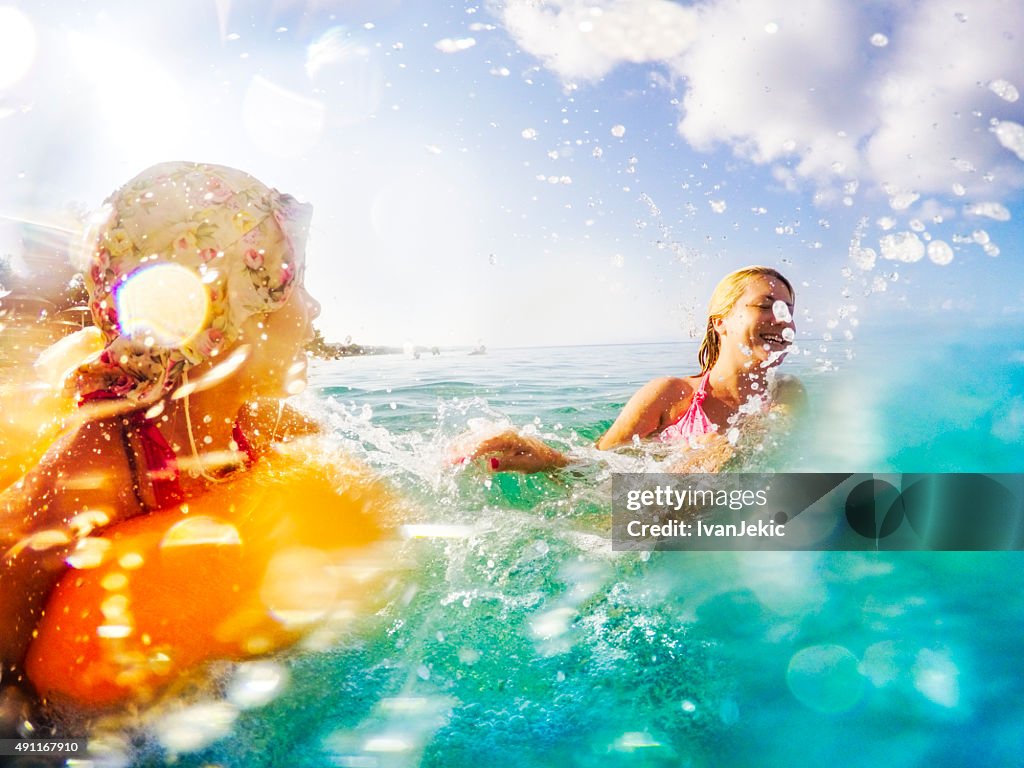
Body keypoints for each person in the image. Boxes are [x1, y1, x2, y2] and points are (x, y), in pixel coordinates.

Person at [0, 162, 393, 713]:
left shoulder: (258, 425)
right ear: (225, 323)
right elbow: (12, 577)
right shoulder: (105, 459)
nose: (315, 309)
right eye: (295, 285)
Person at [456, 266, 805, 473]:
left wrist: (723, 450)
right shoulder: (669, 395)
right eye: (766, 305)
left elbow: (765, 440)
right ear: (721, 323)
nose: (783, 319)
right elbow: (595, 467)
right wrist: (543, 456)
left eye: (789, 309)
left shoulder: (787, 391)